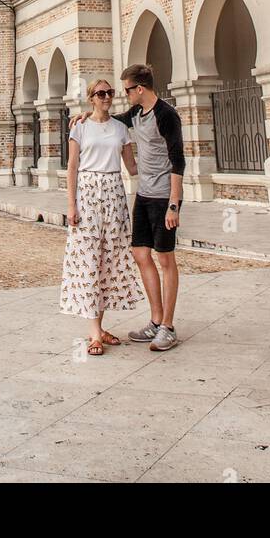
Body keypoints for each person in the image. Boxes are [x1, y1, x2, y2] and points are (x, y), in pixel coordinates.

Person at [71, 63, 185, 352]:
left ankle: (168, 327)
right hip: (143, 196)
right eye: (106, 93)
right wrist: (87, 114)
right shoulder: (135, 114)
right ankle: (156, 321)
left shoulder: (167, 115)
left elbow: (178, 161)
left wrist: (174, 205)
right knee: (139, 253)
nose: (116, 96)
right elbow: (110, 121)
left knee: (166, 259)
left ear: (140, 89)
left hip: (163, 199)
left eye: (122, 91)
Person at [59, 78, 145, 355]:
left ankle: (100, 328)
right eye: (100, 93)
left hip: (114, 194)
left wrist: (160, 169)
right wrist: (72, 205)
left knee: (109, 260)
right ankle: (94, 334)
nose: (106, 96)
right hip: (87, 193)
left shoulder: (121, 129)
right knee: (88, 259)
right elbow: (72, 167)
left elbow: (131, 167)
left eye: (110, 92)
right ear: (91, 98)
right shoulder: (80, 127)